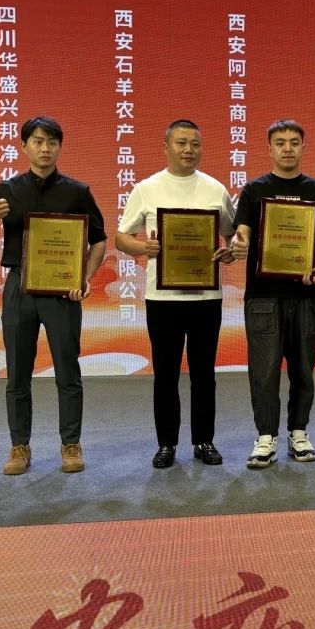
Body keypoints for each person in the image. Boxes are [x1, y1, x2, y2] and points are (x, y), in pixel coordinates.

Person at [0, 116, 106, 476]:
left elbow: (99, 240)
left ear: (60, 147)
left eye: (52, 142)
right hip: (19, 288)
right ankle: (19, 446)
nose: (45, 148)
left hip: (63, 291)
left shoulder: (77, 191)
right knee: (17, 372)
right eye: (37, 141)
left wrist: (84, 278)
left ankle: (71, 444)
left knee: (67, 370)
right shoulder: (7, 190)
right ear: (24, 146)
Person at [115, 119, 242, 468]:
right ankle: (166, 444)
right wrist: (143, 248)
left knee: (204, 374)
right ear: (166, 147)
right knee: (166, 374)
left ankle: (204, 441)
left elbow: (232, 234)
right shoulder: (146, 188)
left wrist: (231, 251)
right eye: (181, 143)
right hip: (162, 299)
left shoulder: (215, 189)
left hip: (206, 298)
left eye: (195, 144)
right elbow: (122, 237)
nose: (189, 150)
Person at [232, 120, 315, 468]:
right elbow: (243, 231)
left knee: (303, 370)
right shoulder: (254, 189)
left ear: (303, 146)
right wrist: (240, 243)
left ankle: (299, 432)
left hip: (306, 294)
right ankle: (266, 436)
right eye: (280, 142)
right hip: (263, 296)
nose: (287, 148)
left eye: (294, 142)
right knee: (264, 371)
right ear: (270, 148)